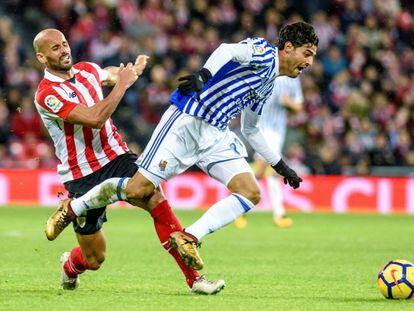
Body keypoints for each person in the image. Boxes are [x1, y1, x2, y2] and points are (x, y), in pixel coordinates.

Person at [46, 22, 318, 271]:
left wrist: (280, 166)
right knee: (138, 189)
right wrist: (204, 74)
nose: (309, 61)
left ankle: (189, 237)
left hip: (216, 134)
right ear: (288, 48)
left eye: (313, 56)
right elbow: (228, 49)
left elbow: (250, 129)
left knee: (251, 193)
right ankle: (77, 205)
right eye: (307, 53)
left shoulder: (269, 83)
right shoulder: (263, 52)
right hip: (187, 121)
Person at [33, 29, 224, 295]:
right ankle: (70, 266)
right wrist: (123, 84)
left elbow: (109, 74)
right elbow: (94, 117)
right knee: (94, 259)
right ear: (42, 57)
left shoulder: (87, 70)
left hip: (117, 156)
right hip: (82, 174)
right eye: (55, 48)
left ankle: (195, 279)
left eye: (64, 44)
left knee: (155, 198)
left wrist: (131, 70)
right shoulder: (47, 94)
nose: (64, 50)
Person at [234, 76, 304, 229]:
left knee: (266, 170)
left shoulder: (293, 78)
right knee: (266, 167)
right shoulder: (266, 69)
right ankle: (278, 213)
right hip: (259, 127)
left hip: (278, 130)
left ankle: (240, 208)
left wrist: (289, 103)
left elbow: (299, 106)